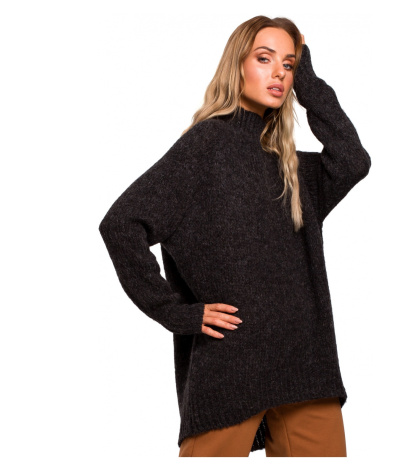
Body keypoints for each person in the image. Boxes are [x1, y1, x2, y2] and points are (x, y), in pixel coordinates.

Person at [98, 15, 371, 457]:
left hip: (306, 364)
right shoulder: (207, 145)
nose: (279, 73)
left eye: (288, 64)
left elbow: (352, 161)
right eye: (265, 59)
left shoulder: (290, 165)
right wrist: (176, 312)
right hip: (231, 367)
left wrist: (308, 80)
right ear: (237, 64)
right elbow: (121, 224)